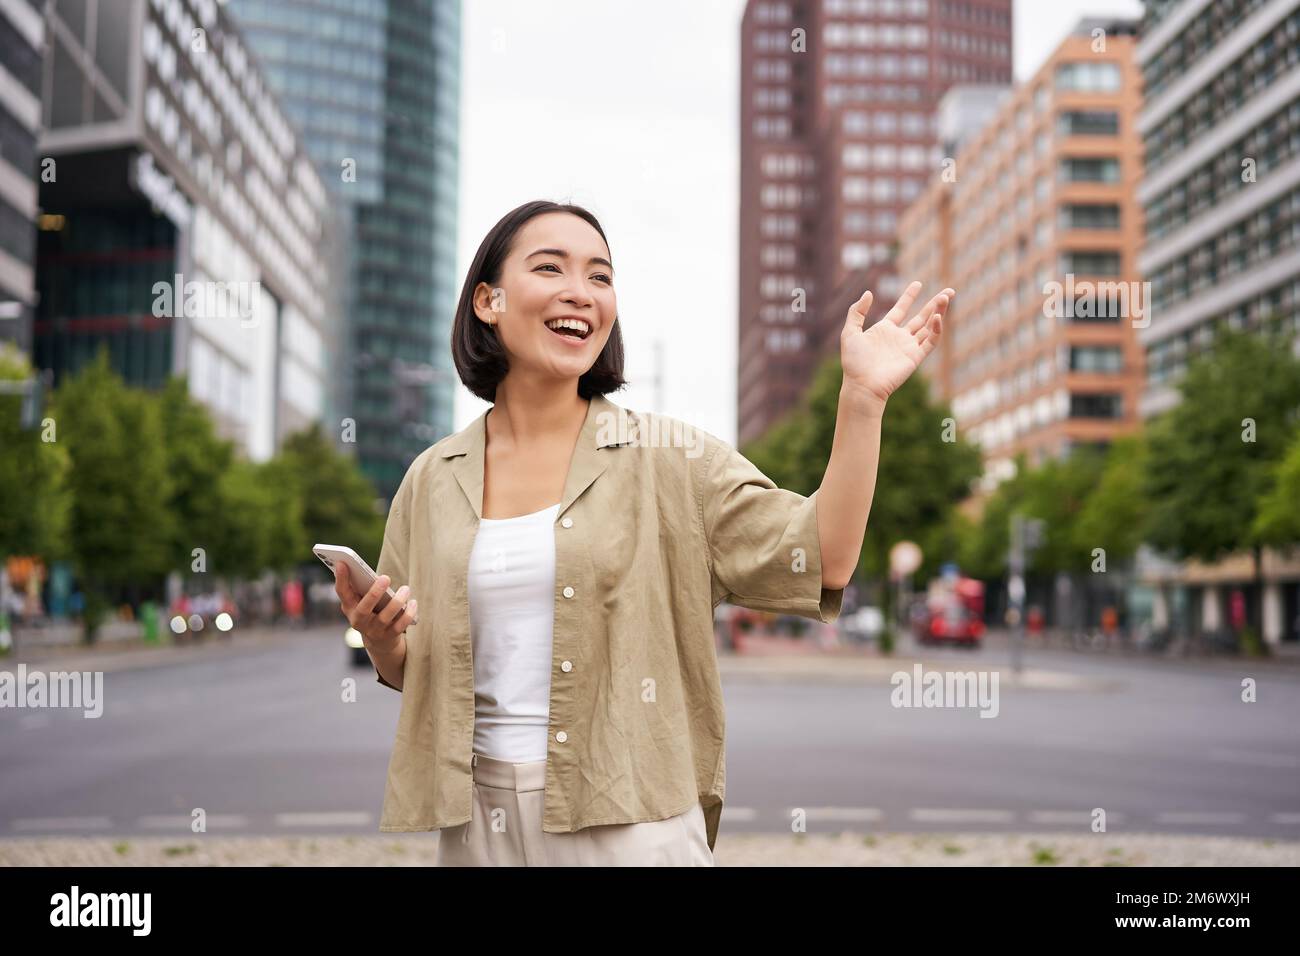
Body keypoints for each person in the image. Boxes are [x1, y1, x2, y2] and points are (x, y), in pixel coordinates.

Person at [333, 199, 951, 866]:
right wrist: (379, 636)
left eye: (600, 276)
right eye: (551, 268)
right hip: (478, 826)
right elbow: (409, 668)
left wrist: (862, 402)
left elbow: (824, 558)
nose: (582, 292)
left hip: (627, 823)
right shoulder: (431, 478)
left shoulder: (673, 460)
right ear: (488, 300)